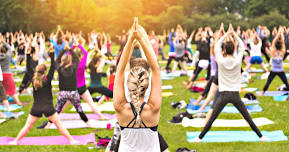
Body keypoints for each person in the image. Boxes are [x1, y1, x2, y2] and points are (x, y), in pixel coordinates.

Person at [192, 24, 267, 142]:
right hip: (235, 95)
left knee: (212, 119)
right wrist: (234, 35)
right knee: (247, 118)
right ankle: (261, 137)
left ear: (224, 50)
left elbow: (216, 46)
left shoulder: (220, 61)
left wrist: (226, 34)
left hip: (223, 95)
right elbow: (242, 46)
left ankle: (199, 138)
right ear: (233, 50)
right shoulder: (237, 61)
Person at [8, 49, 79, 145]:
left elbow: (28, 67)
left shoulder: (33, 79)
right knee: (59, 125)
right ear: (45, 72)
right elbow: (53, 66)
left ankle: (15, 141)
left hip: (36, 107)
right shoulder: (48, 79)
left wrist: (28, 54)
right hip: (48, 107)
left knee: (27, 126)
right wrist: (52, 54)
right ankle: (71, 140)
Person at [114, 18, 162, 152]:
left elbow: (119, 71)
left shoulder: (121, 108)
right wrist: (141, 39)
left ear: (129, 85)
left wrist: (130, 40)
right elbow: (155, 69)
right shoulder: (153, 109)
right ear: (146, 86)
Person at [260, 28, 289, 95]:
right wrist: (281, 33)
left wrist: (278, 34)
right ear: (281, 46)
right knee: (286, 82)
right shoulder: (282, 52)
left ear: (275, 46)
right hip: (280, 70)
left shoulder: (273, 52)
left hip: (273, 70)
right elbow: (283, 42)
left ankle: (262, 92)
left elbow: (273, 42)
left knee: (268, 82)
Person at [0, 37, 22, 106]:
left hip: (1, 75)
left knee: (3, 90)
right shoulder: (7, 56)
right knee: (12, 91)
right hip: (8, 75)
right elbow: (9, 48)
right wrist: (3, 41)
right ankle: (18, 103)